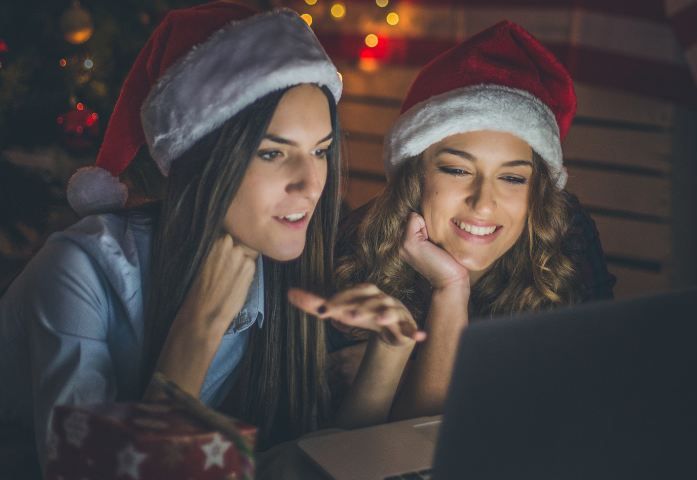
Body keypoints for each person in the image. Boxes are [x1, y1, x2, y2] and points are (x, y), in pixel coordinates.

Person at [0, 3, 423, 474]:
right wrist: (196, 330)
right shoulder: (79, 271)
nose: (311, 184)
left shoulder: (284, 262)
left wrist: (390, 352)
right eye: (271, 152)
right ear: (202, 161)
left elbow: (306, 459)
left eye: (320, 151)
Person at [330, 20, 616, 419]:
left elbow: (586, 395)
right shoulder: (352, 250)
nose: (483, 204)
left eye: (513, 177)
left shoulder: (567, 236)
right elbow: (382, 453)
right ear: (416, 177)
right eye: (457, 170)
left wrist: (419, 363)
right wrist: (451, 290)